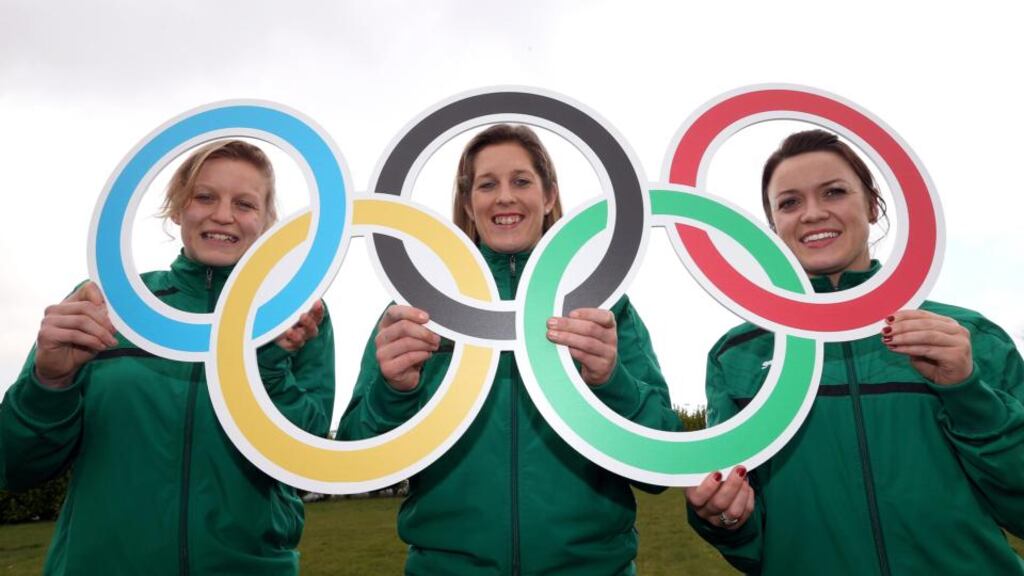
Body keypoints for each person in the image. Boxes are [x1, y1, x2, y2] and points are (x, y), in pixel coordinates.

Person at [337, 124, 681, 575]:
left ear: (550, 195)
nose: (504, 197)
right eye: (487, 184)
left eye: (521, 181)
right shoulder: (419, 301)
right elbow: (355, 459)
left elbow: (660, 464)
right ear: (467, 203)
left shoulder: (601, 300)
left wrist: (611, 380)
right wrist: (392, 391)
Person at [685, 129, 1024, 575]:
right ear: (771, 227)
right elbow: (752, 542)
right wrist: (725, 518)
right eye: (789, 202)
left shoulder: (968, 337)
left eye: (834, 192)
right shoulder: (738, 356)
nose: (812, 213)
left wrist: (967, 390)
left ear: (873, 205)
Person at [0, 140, 335, 575]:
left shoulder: (295, 315)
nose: (223, 215)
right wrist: (49, 383)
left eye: (245, 203)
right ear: (178, 208)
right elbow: (16, 465)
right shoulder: (106, 305)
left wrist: (267, 366)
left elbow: (306, 464)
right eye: (205, 196)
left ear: (268, 223)